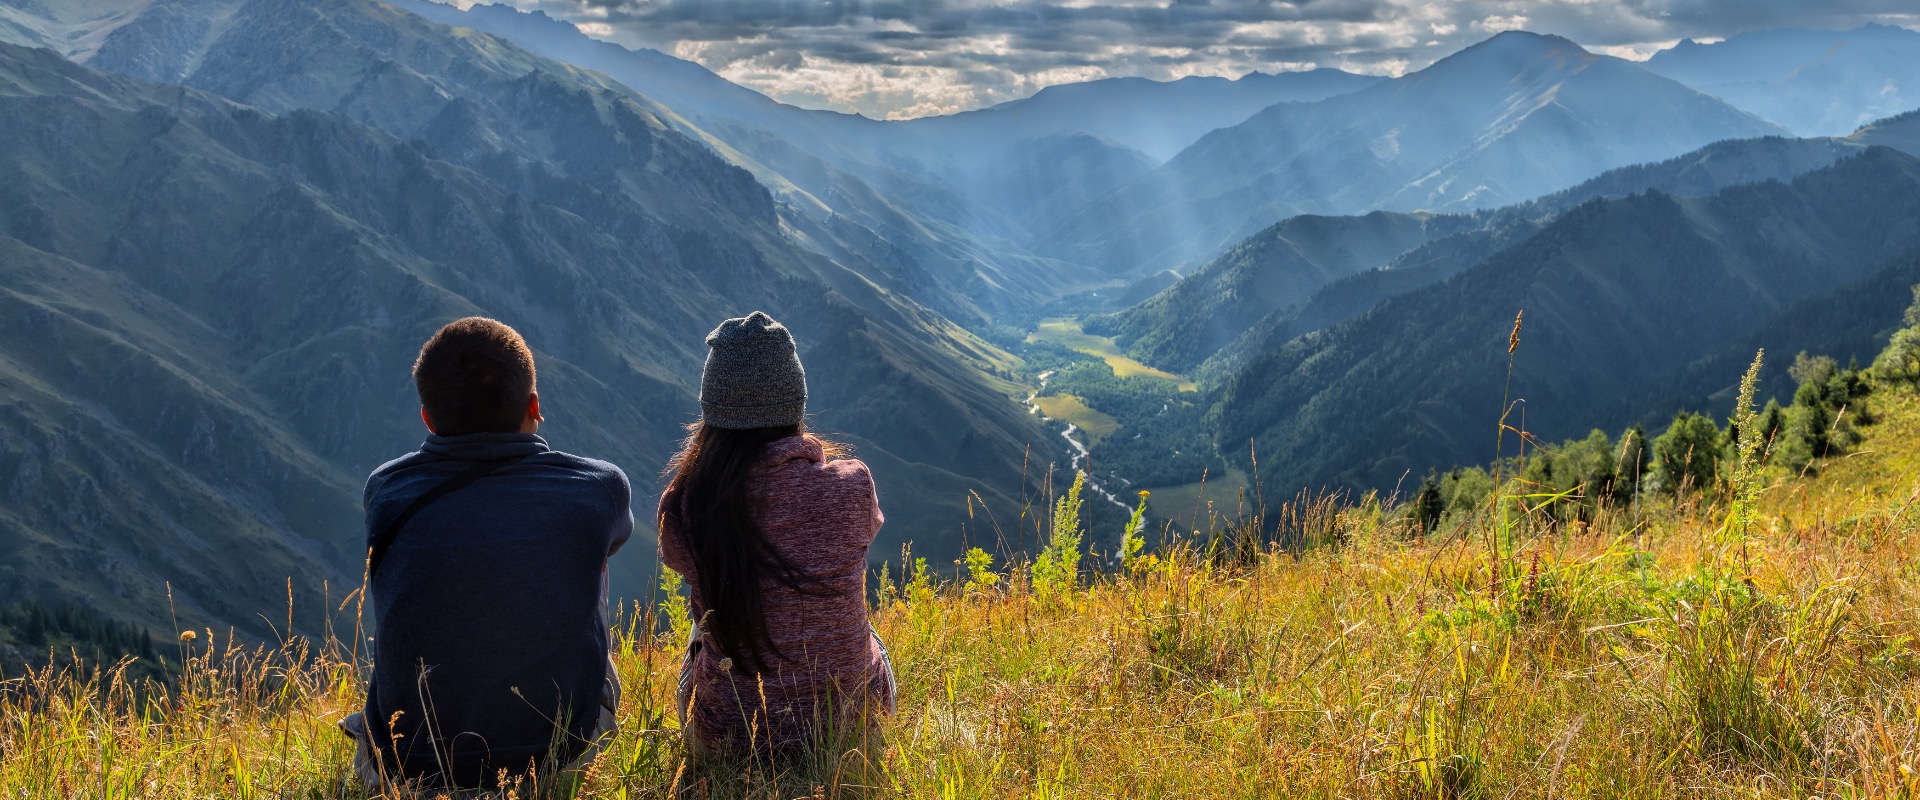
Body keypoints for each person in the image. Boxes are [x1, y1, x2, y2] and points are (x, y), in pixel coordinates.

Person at [339, 317, 633, 790]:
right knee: (588, 557)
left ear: (428, 419)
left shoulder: (386, 489)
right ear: (534, 406)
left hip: (403, 765)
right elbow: (612, 540)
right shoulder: (598, 489)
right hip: (557, 760)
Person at [659, 311, 895, 761]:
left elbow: (676, 558)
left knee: (709, 611)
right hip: (851, 725)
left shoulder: (686, 505)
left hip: (727, 738)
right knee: (865, 629)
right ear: (796, 406)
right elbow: (864, 532)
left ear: (712, 413)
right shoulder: (853, 485)